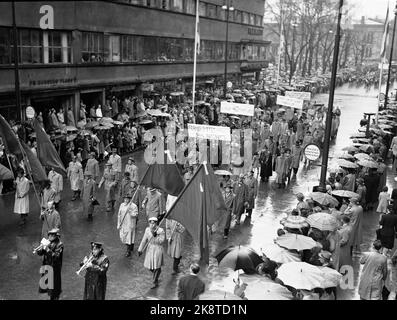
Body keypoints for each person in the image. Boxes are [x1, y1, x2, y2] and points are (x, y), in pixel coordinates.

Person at [36, 228, 63, 300]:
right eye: (49, 235)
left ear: (55, 236)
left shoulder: (59, 244)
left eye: (51, 236)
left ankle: (55, 297)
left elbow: (56, 257)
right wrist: (40, 250)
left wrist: (48, 249)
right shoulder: (48, 242)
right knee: (48, 285)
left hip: (54, 267)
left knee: (54, 286)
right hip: (47, 266)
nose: (49, 237)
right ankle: (52, 296)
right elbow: (41, 253)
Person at [138, 217, 165, 289]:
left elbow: (161, 241)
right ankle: (157, 273)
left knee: (156, 266)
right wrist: (140, 249)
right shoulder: (147, 230)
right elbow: (144, 240)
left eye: (154, 223)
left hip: (157, 249)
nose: (152, 225)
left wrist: (156, 236)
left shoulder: (161, 230)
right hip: (150, 249)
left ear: (156, 223)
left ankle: (154, 281)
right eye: (150, 223)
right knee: (149, 266)